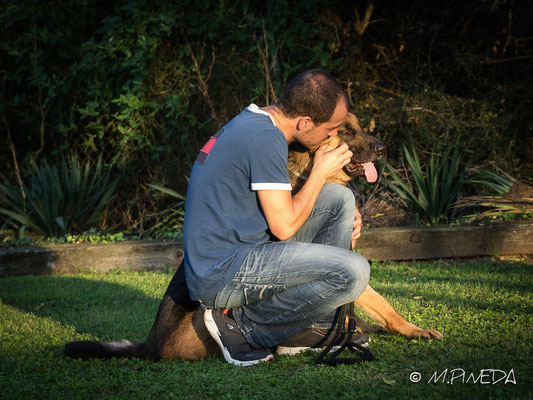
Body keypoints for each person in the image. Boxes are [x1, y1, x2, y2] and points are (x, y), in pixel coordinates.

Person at [183, 69, 370, 366]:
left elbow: (284, 211)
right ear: (305, 122)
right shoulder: (266, 138)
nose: (334, 135)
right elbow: (284, 227)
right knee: (354, 272)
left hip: (237, 255)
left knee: (339, 199)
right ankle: (240, 326)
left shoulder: (252, 122)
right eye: (331, 128)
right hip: (222, 273)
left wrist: (340, 208)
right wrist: (320, 172)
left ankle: (314, 324)